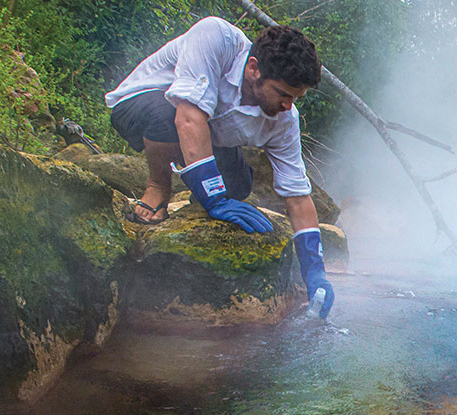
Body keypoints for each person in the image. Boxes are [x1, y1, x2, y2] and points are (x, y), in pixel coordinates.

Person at [105, 17, 334, 318]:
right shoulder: (216, 37)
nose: (289, 106)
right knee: (169, 117)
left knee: (238, 186)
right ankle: (158, 187)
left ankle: (196, 198)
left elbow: (297, 194)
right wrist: (213, 196)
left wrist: (315, 272)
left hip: (203, 128)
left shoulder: (284, 120)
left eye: (296, 98)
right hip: (141, 104)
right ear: (254, 69)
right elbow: (187, 117)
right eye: (283, 94)